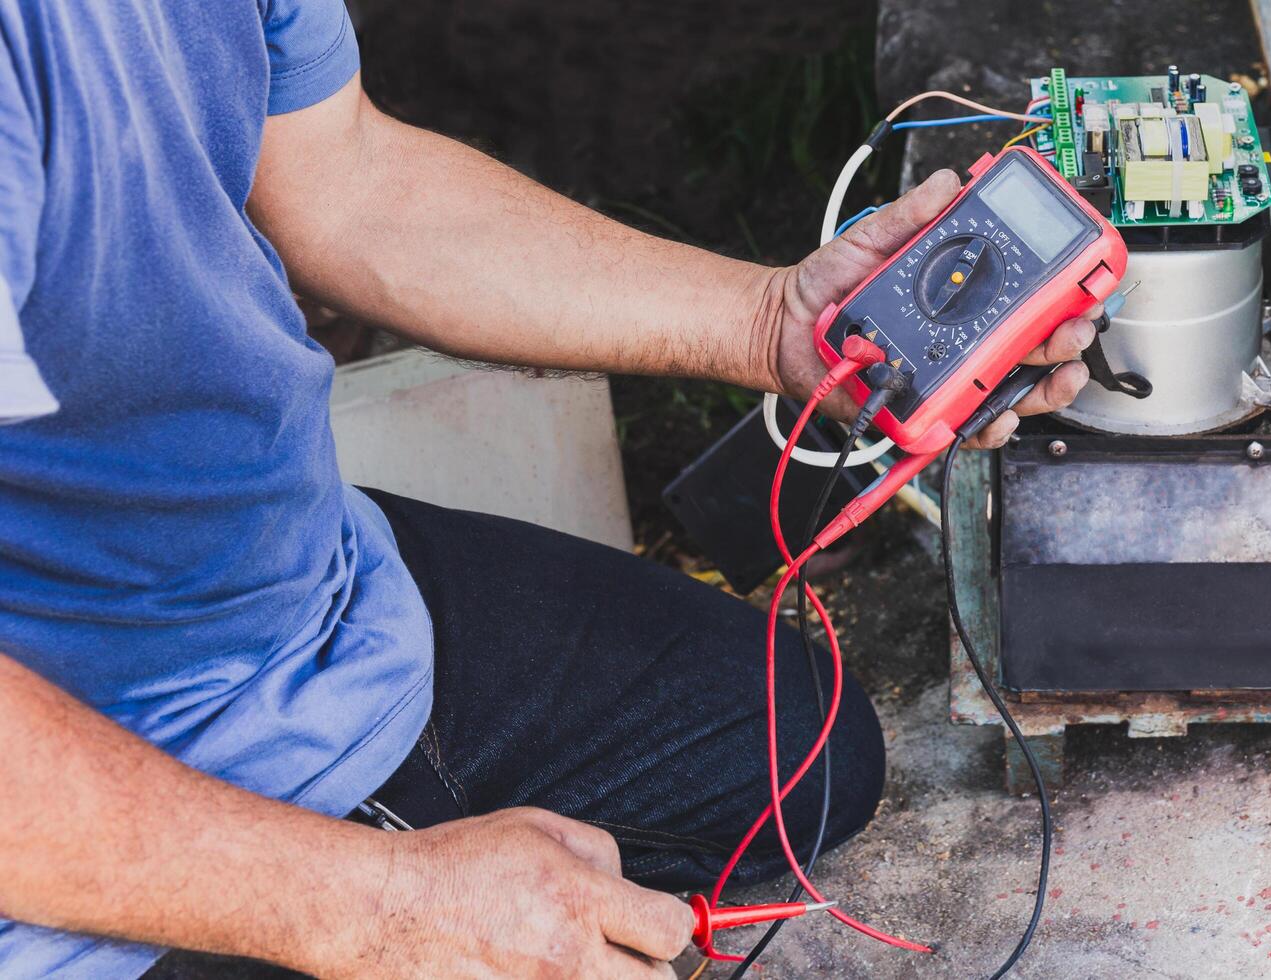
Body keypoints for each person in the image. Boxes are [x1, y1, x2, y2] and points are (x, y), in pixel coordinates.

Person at [0, 1, 1096, 976]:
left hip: (298, 586)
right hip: (63, 773)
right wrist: (377, 907)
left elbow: (345, 180)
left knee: (803, 753)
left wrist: (773, 323)